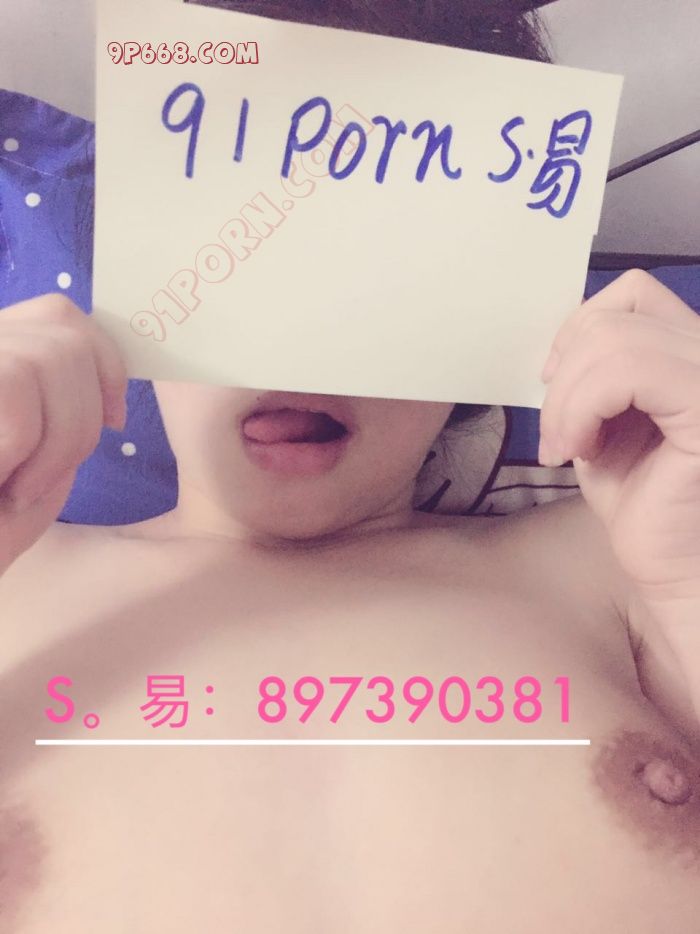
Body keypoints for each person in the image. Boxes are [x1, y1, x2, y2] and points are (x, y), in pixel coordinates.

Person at [1, 2, 699, 932]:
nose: (301, 355)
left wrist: (690, 574)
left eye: (384, 272)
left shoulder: (626, 566)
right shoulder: (16, 577)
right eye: (236, 255)